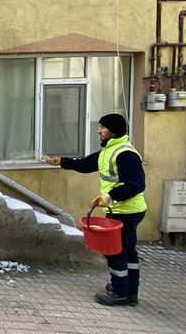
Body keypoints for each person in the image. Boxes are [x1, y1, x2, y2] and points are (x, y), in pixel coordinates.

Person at [44, 113, 146, 307]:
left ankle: (120, 292)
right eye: (99, 126)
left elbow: (136, 184)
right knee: (128, 251)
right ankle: (130, 291)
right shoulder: (109, 150)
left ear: (113, 130)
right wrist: (61, 161)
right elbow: (85, 164)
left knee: (115, 252)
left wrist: (109, 196)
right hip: (123, 210)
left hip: (125, 211)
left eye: (103, 127)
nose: (99, 130)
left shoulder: (125, 154)